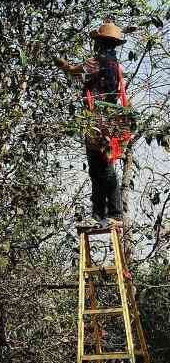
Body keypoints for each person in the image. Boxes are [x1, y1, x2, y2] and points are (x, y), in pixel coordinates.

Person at [55, 21, 132, 227]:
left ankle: (112, 214)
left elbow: (74, 71)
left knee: (101, 168)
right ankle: (99, 214)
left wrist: (62, 64)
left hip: (96, 122)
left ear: (100, 42)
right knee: (101, 167)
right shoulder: (118, 66)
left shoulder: (96, 61)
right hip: (111, 121)